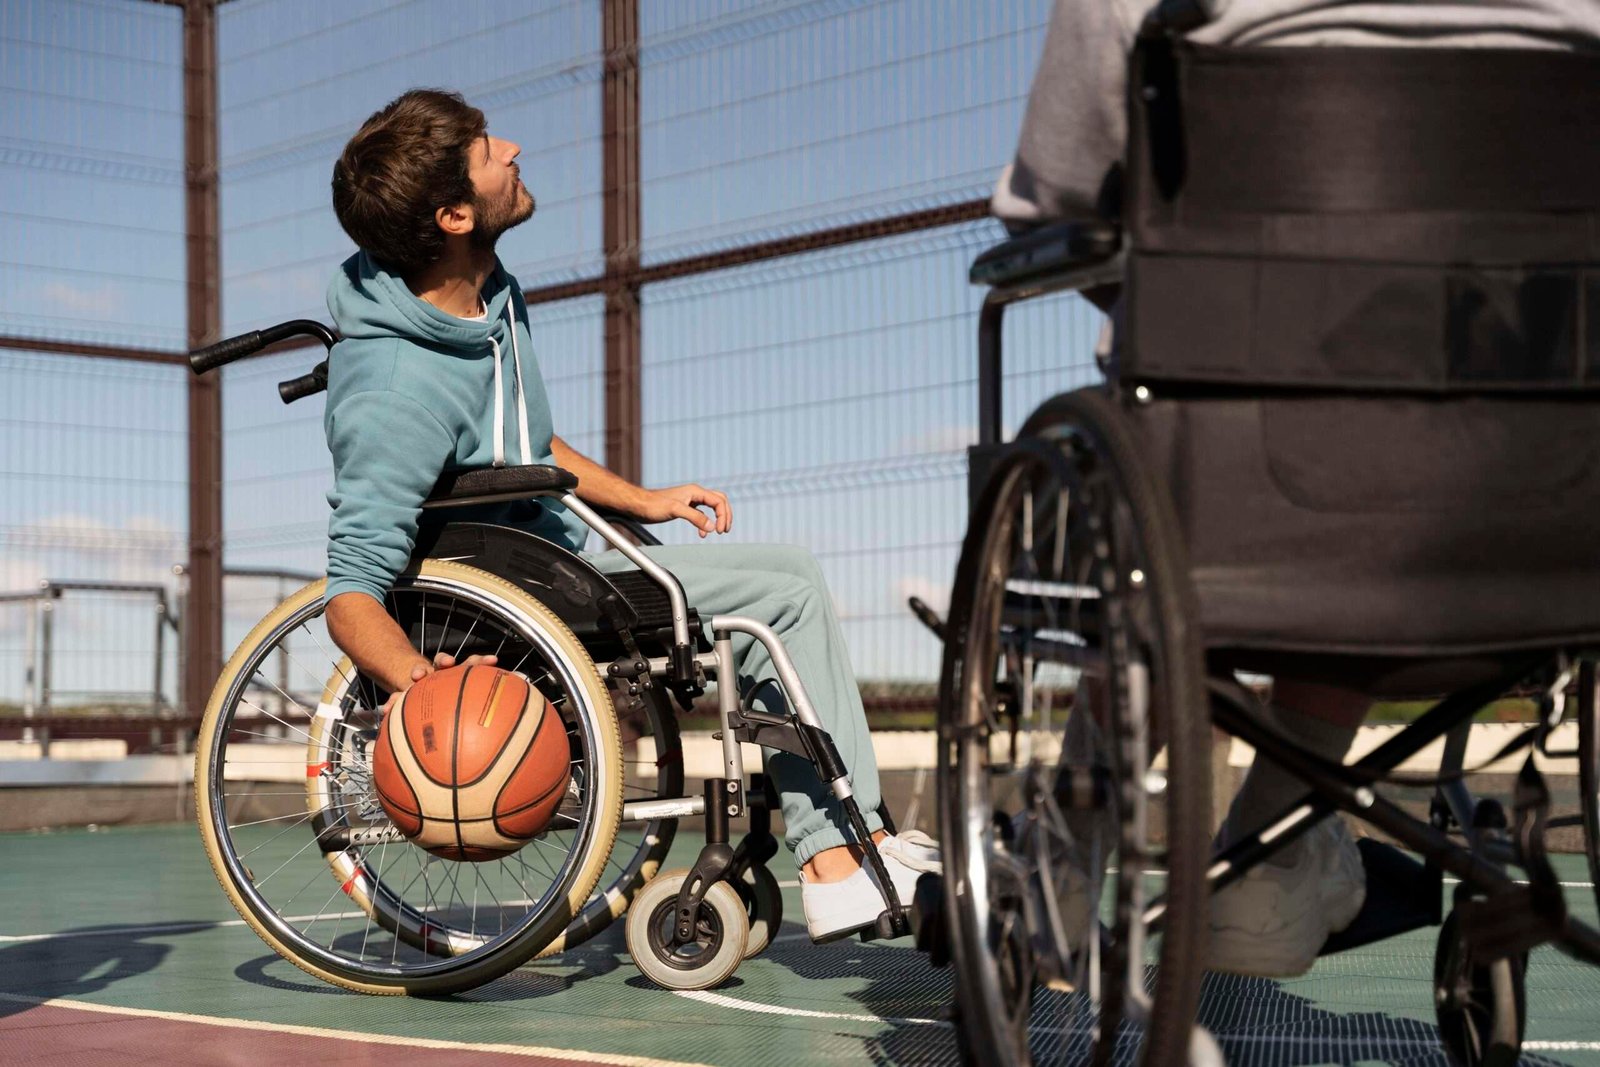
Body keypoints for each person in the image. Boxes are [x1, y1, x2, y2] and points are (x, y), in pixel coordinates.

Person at [994, 0, 1600, 978]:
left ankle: (1069, 844)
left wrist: (1231, 320)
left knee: (1196, 465)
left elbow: (1052, 201)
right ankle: (1272, 855)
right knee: (1376, 462)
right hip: (1536, 490)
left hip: (1235, 479)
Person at [321, 88, 938, 945]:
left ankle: (843, 839)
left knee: (767, 591)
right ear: (455, 213)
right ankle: (838, 858)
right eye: (486, 148)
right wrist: (425, 693)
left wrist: (643, 500)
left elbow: (525, 443)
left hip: (561, 558)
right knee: (783, 588)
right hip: (533, 588)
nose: (513, 146)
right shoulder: (395, 390)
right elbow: (350, 591)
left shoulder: (483, 295)